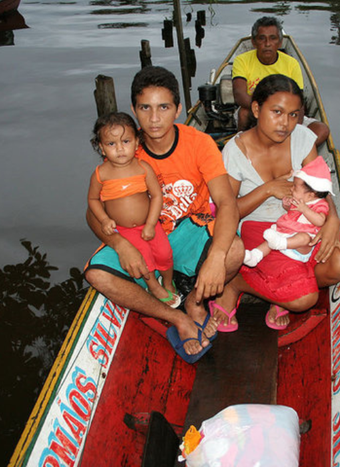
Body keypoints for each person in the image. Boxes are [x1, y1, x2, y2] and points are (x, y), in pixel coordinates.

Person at [84, 66, 244, 363]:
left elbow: (226, 203)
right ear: (134, 109)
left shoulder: (199, 143)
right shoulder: (124, 150)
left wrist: (217, 257)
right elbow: (93, 212)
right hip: (142, 235)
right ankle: (177, 317)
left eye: (164, 107)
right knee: (97, 275)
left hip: (189, 230)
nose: (154, 119)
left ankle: (196, 301)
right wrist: (121, 245)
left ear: (179, 110)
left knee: (234, 250)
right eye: (145, 108)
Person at [209, 74, 340, 331]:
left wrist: (333, 219)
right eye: (276, 112)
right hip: (260, 227)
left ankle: (282, 285)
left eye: (293, 114)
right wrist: (267, 190)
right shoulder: (235, 150)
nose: (285, 123)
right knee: (304, 299)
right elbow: (227, 211)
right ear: (256, 109)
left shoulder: (301, 138)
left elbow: (320, 188)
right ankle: (236, 283)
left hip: (303, 220)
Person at [87, 112, 180, 308]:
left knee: (165, 253)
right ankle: (153, 286)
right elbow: (93, 199)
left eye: (126, 141)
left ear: (137, 143)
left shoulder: (143, 168)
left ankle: (168, 281)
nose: (120, 149)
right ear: (101, 148)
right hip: (125, 230)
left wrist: (152, 224)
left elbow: (156, 196)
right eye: (111, 144)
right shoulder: (100, 174)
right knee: (143, 258)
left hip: (149, 224)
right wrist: (104, 219)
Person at [232, 16, 330, 146]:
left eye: (273, 38)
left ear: (280, 42)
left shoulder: (291, 64)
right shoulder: (242, 60)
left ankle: (290, 150)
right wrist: (269, 112)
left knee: (322, 130)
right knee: (244, 113)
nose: (267, 44)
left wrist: (293, 126)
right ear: (254, 42)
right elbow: (240, 95)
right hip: (257, 111)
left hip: (288, 113)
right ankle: (246, 148)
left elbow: (299, 103)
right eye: (262, 38)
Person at [243, 156, 333, 268]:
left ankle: (281, 243)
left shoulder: (320, 204)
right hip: (288, 233)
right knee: (270, 238)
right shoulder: (301, 200)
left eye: (295, 188)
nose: (291, 189)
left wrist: (305, 209)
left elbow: (320, 221)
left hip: (302, 247)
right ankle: (255, 255)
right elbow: (294, 214)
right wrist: (287, 207)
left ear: (310, 195)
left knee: (304, 238)